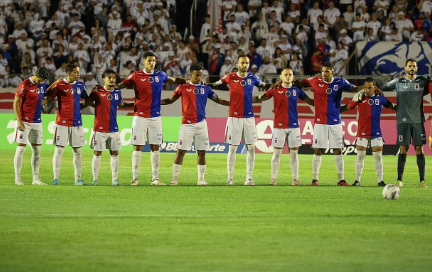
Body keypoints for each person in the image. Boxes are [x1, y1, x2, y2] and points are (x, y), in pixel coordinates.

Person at [117, 52, 188, 186]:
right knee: (138, 146)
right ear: (143, 62)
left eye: (154, 61)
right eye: (149, 61)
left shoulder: (160, 74)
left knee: (155, 147)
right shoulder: (136, 75)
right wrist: (108, 88)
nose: (152, 63)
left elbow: (173, 80)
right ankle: (135, 178)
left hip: (155, 116)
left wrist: (187, 80)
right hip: (140, 116)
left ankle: (155, 178)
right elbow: (121, 85)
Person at [293, 62, 363, 186]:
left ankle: (341, 179)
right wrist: (286, 82)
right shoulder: (314, 80)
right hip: (320, 122)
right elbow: (299, 83)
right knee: (318, 150)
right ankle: (315, 179)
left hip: (335, 121)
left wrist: (367, 88)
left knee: (338, 150)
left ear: (332, 72)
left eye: (327, 71)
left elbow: (354, 88)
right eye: (323, 71)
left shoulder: (340, 82)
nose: (324, 74)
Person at [161, 64, 230, 185]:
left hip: (201, 123)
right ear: (190, 75)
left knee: (202, 151)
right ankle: (174, 179)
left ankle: (201, 179)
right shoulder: (182, 87)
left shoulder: (206, 88)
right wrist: (156, 102)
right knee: (181, 151)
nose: (199, 77)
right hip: (186, 124)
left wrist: (231, 104)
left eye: (201, 75)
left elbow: (218, 100)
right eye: (197, 75)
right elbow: (170, 100)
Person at [210, 55, 273, 185]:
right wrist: (205, 84)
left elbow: (264, 85)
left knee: (250, 148)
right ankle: (230, 178)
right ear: (237, 65)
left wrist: (275, 85)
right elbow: (215, 84)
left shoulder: (253, 77)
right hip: (234, 117)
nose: (245, 65)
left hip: (249, 117)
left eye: (247, 63)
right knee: (232, 148)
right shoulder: (230, 77)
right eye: (242, 63)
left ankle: (249, 178)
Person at [254, 68, 314, 185]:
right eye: (285, 75)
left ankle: (295, 179)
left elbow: (310, 102)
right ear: (281, 77)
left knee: (294, 154)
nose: (288, 76)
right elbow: (261, 98)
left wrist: (326, 104)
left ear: (293, 77)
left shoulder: (297, 90)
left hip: (294, 127)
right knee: (277, 153)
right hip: (279, 127)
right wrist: (245, 101)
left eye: (290, 75)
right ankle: (273, 179)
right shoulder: (275, 90)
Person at [379, 59, 431, 187]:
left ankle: (422, 180)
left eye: (414, 66)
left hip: (418, 120)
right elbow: (382, 88)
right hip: (402, 120)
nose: (412, 68)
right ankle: (399, 179)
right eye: (410, 66)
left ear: (417, 68)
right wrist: (389, 105)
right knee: (404, 149)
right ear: (405, 68)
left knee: (419, 149)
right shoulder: (398, 81)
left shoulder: (423, 80)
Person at [341, 77, 396, 186]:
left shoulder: (380, 98)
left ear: (374, 87)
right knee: (360, 157)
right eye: (365, 88)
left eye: (369, 88)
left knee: (378, 157)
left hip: (376, 132)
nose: (367, 90)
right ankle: (357, 180)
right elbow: (347, 107)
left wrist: (403, 109)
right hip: (362, 132)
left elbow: (391, 106)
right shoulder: (360, 98)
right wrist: (334, 111)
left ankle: (380, 181)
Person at [46, 64, 91, 185]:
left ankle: (78, 179)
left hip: (77, 122)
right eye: (76, 72)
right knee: (59, 150)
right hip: (62, 122)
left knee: (78, 152)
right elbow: (47, 96)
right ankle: (56, 178)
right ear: (69, 73)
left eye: (78, 72)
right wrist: (53, 83)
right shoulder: (59, 84)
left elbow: (87, 100)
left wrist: (82, 105)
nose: (78, 74)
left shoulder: (80, 85)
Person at [88, 69, 134, 186]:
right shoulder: (97, 91)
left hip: (113, 128)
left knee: (115, 153)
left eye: (114, 77)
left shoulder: (117, 92)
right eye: (109, 77)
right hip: (99, 128)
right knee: (97, 153)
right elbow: (87, 102)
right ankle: (95, 179)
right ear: (103, 79)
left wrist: (135, 104)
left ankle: (115, 180)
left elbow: (121, 104)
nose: (112, 79)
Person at [13, 67, 49, 185]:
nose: (41, 82)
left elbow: (41, 99)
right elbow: (16, 102)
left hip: (37, 121)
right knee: (21, 149)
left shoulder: (43, 85)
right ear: (35, 74)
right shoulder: (25, 84)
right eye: (40, 80)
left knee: (37, 150)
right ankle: (18, 178)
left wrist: (45, 101)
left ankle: (35, 178)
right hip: (25, 121)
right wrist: (19, 121)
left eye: (43, 80)